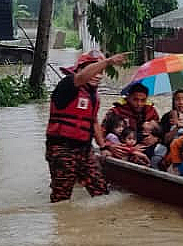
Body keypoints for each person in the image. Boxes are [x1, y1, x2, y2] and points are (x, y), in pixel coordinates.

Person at [45, 50, 128, 202]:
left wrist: (103, 147)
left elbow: (93, 121)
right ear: (80, 69)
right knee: (61, 198)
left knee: (101, 191)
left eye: (101, 71)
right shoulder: (68, 84)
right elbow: (82, 77)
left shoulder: (94, 96)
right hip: (62, 149)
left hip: (84, 149)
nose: (98, 74)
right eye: (95, 69)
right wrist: (108, 62)